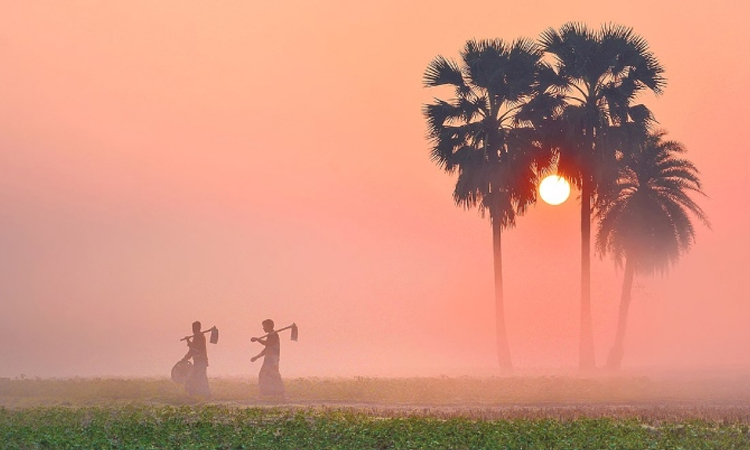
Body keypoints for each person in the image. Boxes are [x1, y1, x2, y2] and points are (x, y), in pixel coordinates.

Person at [251, 319, 286, 400]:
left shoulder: (273, 335)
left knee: (272, 375)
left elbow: (268, 344)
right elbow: (267, 349)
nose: (263, 328)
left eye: (264, 326)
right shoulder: (271, 335)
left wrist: (257, 339)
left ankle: (281, 394)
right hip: (269, 359)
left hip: (273, 359)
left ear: (269, 326)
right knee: (267, 376)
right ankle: (268, 394)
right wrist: (256, 357)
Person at [182, 320, 211, 398]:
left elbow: (195, 349)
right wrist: (185, 358)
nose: (193, 329)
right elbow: (192, 351)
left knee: (200, 378)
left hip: (201, 361)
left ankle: (205, 394)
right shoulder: (196, 337)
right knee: (194, 378)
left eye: (195, 328)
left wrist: (188, 341)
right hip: (197, 362)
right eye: (193, 328)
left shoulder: (200, 337)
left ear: (199, 328)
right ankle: (195, 394)